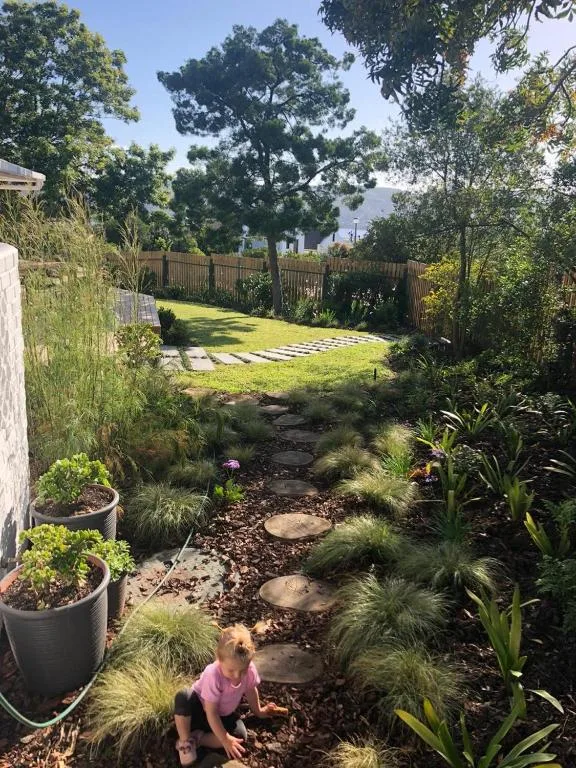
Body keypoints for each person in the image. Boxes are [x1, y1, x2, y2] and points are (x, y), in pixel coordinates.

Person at [174, 624, 279, 765]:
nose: (237, 676)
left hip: (222, 714)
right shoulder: (213, 674)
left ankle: (198, 739)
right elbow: (210, 712)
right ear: (219, 659)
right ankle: (185, 742)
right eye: (231, 671)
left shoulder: (249, 670)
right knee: (183, 696)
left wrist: (259, 711)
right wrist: (224, 739)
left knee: (239, 735)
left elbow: (251, 691)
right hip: (200, 711)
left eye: (242, 670)